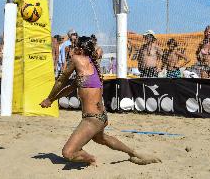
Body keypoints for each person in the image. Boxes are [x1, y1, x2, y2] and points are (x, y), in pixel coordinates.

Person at [40, 36, 161, 166]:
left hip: (92, 119)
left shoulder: (77, 60)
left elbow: (61, 81)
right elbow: (70, 88)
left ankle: (91, 159)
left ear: (80, 49)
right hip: (101, 117)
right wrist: (52, 100)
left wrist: (48, 97)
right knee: (101, 138)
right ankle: (134, 153)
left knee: (68, 153)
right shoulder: (93, 63)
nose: (73, 49)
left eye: (75, 47)